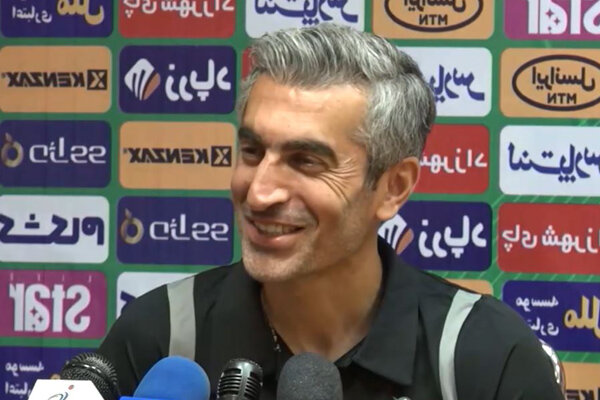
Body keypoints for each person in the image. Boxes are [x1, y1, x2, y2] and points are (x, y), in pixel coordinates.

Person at [98, 24, 564, 400]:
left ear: (394, 187)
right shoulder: (162, 336)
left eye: (306, 161)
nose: (259, 193)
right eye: (252, 151)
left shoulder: (485, 356)